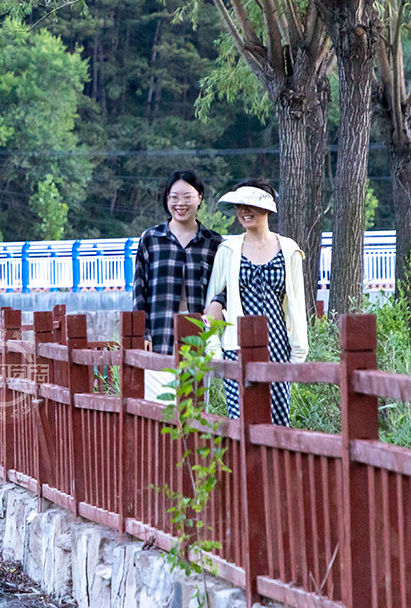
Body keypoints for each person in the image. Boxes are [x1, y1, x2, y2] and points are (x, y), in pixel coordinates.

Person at [203, 180, 308, 426]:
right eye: (239, 206)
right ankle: (244, 467)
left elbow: (297, 305)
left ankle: (279, 467)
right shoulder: (228, 250)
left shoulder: (289, 250)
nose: (244, 211)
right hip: (236, 347)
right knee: (242, 420)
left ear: (268, 209)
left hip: (277, 347)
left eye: (250, 205)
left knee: (279, 421)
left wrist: (298, 351)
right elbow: (211, 306)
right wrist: (214, 349)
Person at [132, 170, 224, 403]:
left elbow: (228, 285)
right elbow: (139, 290)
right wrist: (143, 332)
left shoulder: (214, 242)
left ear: (200, 197)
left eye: (187, 197)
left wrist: (218, 302)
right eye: (173, 197)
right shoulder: (151, 238)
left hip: (200, 338)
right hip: (160, 335)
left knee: (197, 406)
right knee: (160, 407)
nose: (180, 203)